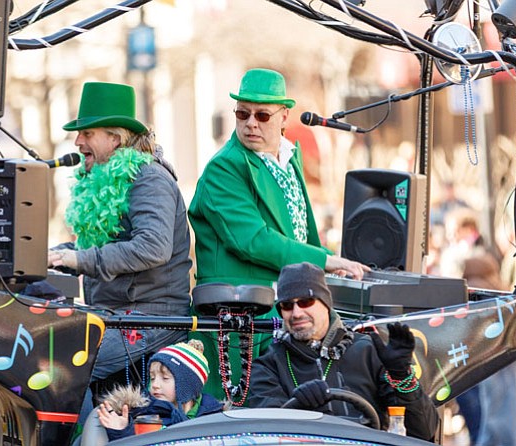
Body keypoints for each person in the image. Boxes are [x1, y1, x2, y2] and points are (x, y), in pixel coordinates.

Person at [188, 68, 369, 401]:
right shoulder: (223, 168)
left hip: (280, 315)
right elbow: (253, 240)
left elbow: (299, 234)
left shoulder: (288, 158)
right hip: (241, 323)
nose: (250, 122)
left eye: (262, 115)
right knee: (246, 416)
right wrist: (325, 261)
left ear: (284, 116)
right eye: (242, 114)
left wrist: (323, 271)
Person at [47, 82, 192, 416]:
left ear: (116, 138)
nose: (77, 141)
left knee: (65, 368)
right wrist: (53, 256)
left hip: (152, 317)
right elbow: (100, 249)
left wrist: (79, 259)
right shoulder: (108, 178)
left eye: (87, 133)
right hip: (112, 314)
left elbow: (152, 247)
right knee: (47, 352)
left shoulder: (149, 179)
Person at [248, 262, 439, 442]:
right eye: (287, 305)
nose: (296, 313)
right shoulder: (269, 365)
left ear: (326, 303)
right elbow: (267, 434)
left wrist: (401, 375)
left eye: (306, 302)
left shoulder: (368, 349)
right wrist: (298, 407)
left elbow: (423, 431)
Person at [440, 208, 516, 446]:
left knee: (490, 413)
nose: (452, 237)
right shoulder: (486, 270)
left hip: (485, 350)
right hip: (492, 348)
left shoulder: (474, 274)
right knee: (494, 411)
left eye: (455, 232)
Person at [77, 340, 224, 445]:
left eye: (165, 378)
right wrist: (123, 432)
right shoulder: (142, 414)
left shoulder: (213, 417)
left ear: (188, 385)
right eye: (152, 378)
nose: (155, 385)